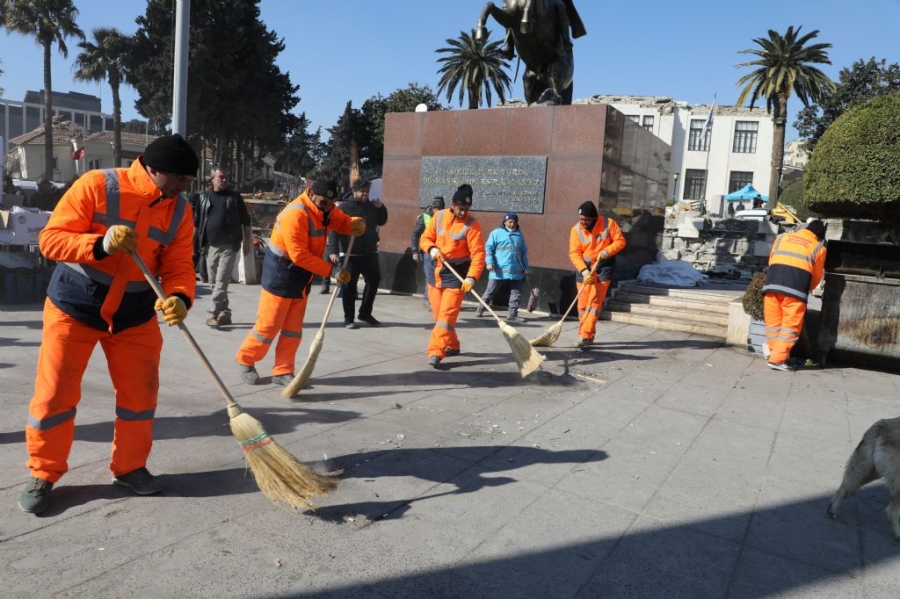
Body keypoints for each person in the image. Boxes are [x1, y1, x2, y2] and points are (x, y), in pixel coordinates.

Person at [18, 134, 199, 514]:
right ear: (152, 169)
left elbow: (180, 263)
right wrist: (99, 245)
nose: (184, 186)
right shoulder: (97, 185)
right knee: (54, 396)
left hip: (134, 316)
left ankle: (130, 468)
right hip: (75, 305)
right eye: (179, 178)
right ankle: (44, 472)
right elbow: (50, 240)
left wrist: (180, 297)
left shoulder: (180, 211)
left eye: (188, 181)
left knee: (140, 397)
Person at [235, 179, 364, 386]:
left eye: (332, 204)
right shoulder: (295, 213)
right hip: (280, 273)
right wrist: (331, 270)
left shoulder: (327, 209)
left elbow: (343, 222)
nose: (328, 207)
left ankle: (283, 371)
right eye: (324, 203)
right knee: (269, 325)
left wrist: (356, 223)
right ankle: (245, 359)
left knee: (292, 328)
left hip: (302, 276)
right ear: (311, 193)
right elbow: (299, 255)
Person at [419, 184, 485, 367]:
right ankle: (453, 345)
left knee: (446, 316)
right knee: (439, 317)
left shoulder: (473, 226)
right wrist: (431, 249)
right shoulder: (439, 216)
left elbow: (478, 254)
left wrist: (472, 277)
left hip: (456, 277)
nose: (463, 212)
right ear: (452, 205)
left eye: (466, 209)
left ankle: (436, 351)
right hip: (435, 273)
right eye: (460, 208)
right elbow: (425, 238)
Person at [762, 219, 827, 372]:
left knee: (773, 324)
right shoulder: (818, 247)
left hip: (772, 284)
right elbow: (817, 275)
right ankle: (777, 360)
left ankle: (774, 354)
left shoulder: (782, 238)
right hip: (795, 291)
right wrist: (807, 288)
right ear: (819, 236)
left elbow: (772, 260)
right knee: (790, 327)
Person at [192, 167, 252, 327]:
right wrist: (191, 244)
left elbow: (246, 221)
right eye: (221, 177)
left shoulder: (234, 197)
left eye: (226, 177)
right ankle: (225, 313)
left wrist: (247, 243)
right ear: (212, 179)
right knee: (213, 283)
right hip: (210, 246)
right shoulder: (204, 197)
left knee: (221, 281)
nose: (224, 180)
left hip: (229, 246)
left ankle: (212, 314)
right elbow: (197, 223)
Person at [327, 178, 388, 328]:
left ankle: (365, 313)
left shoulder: (371, 206)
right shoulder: (344, 207)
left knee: (374, 280)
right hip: (350, 253)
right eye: (362, 191)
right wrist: (333, 250)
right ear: (354, 191)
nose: (365, 194)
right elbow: (334, 229)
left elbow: (382, 221)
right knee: (349, 285)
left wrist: (381, 208)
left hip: (369, 252)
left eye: (367, 191)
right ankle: (349, 319)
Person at [568, 200, 626, 348]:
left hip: (602, 269)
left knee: (594, 304)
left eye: (586, 220)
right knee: (582, 306)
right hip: (584, 271)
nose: (583, 222)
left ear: (594, 217)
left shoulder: (608, 224)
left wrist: (607, 251)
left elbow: (620, 241)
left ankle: (584, 336)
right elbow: (574, 253)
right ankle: (588, 334)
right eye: (580, 219)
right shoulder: (576, 230)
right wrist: (584, 271)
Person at [476, 212, 529, 323]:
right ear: (504, 222)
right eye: (510, 221)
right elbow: (489, 248)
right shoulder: (496, 233)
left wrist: (526, 267)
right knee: (490, 291)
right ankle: (480, 308)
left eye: (514, 222)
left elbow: (524, 252)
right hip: (498, 270)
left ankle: (512, 314)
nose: (512, 223)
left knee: (516, 293)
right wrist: (489, 262)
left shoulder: (519, 235)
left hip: (517, 270)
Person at [410, 196, 445, 310]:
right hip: (427, 253)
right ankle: (427, 300)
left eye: (441, 208)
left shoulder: (445, 217)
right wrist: (414, 251)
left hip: (440, 253)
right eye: (437, 208)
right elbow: (415, 234)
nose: (439, 211)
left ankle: (436, 299)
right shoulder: (425, 218)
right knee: (430, 276)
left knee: (438, 276)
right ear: (433, 208)